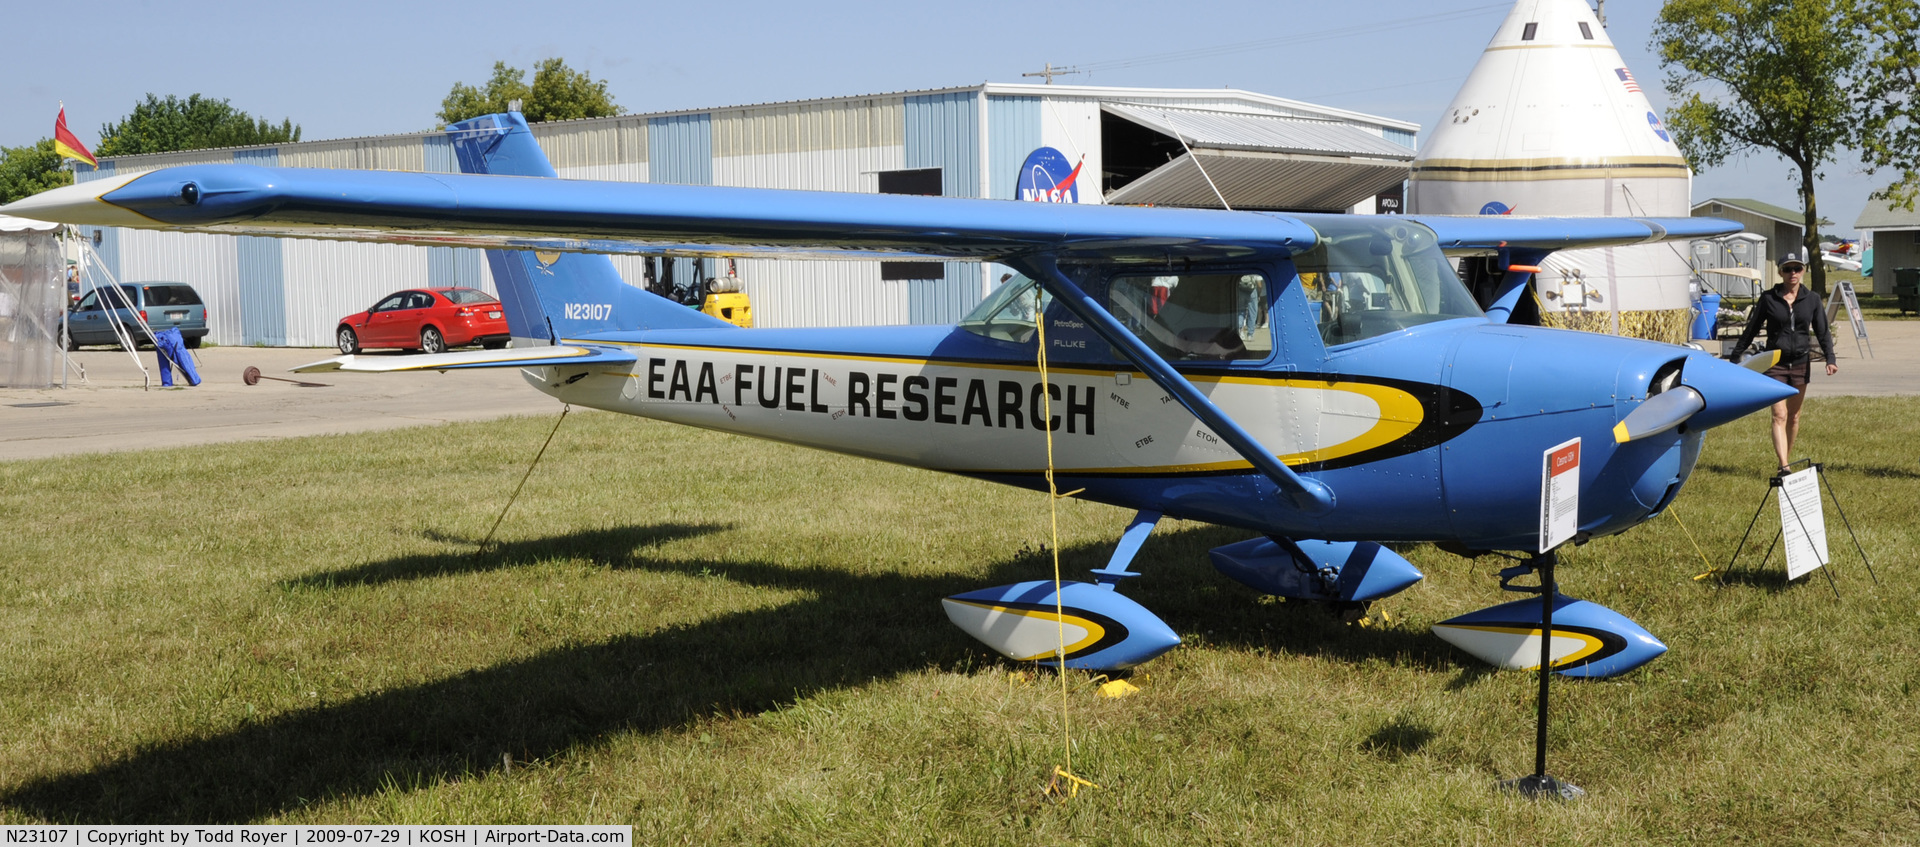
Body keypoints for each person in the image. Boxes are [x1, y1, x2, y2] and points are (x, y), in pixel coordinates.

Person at [1727, 249, 1838, 475]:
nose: (1792, 273)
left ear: (1803, 271)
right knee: (1779, 415)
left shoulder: (1812, 299)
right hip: (1774, 363)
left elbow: (1822, 331)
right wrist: (1735, 356)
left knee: (1794, 417)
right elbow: (1752, 329)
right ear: (1780, 272)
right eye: (1787, 269)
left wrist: (1830, 357)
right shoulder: (1769, 298)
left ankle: (1784, 459)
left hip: (1800, 363)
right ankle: (1785, 466)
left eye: (1797, 268)